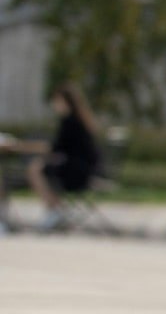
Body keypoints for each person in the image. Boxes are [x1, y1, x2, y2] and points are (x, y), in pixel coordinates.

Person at [1, 84, 102, 233]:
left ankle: (54, 210)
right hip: (82, 170)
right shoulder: (77, 121)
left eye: (56, 101)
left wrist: (19, 146)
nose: (54, 105)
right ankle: (54, 210)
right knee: (38, 168)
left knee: (35, 169)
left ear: (64, 101)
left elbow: (54, 148)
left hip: (78, 174)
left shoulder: (70, 122)